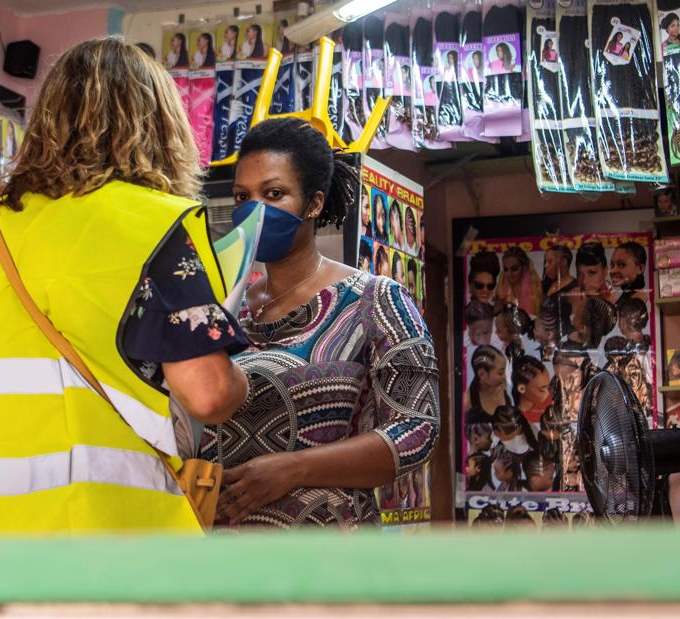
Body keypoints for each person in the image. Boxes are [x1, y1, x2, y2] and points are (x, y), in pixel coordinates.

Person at [0, 39, 250, 535]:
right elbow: (207, 394)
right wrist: (242, 377)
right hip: (103, 534)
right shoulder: (153, 226)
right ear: (160, 125)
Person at [200, 117, 439, 528]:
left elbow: (416, 429)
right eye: (243, 196)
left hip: (330, 561)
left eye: (273, 194)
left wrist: (295, 468)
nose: (254, 210)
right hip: (223, 562)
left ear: (313, 203)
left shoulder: (375, 301)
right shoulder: (224, 304)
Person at [464, 344, 510, 420]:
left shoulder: (502, 385)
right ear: (482, 374)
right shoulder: (467, 401)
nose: (504, 377)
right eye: (500, 373)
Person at [496, 247, 541, 316]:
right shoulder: (501, 293)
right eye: (506, 269)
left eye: (514, 269)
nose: (509, 274)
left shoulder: (536, 294)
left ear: (524, 268)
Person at [512, 355, 551, 428]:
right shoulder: (520, 421)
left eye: (549, 387)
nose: (548, 393)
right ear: (522, 389)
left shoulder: (549, 400)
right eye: (542, 390)